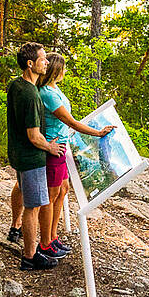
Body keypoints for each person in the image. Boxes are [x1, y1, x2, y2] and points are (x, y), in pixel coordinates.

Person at [34, 52, 116, 258]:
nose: (65, 71)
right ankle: (45, 243)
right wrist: (97, 133)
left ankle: (53, 237)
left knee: (63, 190)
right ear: (56, 70)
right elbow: (71, 122)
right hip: (53, 148)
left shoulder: (55, 88)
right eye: (63, 67)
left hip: (61, 146)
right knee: (50, 197)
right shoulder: (48, 94)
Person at [5, 42, 65, 271]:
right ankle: (30, 256)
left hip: (19, 154)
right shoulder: (30, 95)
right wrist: (49, 148)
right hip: (31, 158)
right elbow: (33, 135)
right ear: (31, 64)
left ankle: (26, 244)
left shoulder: (16, 85)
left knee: (27, 198)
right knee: (33, 207)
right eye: (43, 59)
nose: (47, 62)